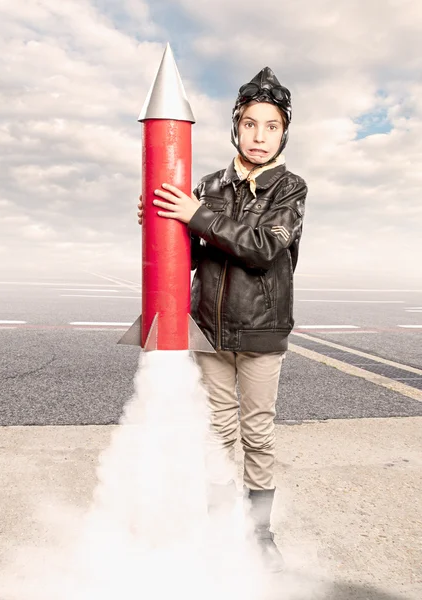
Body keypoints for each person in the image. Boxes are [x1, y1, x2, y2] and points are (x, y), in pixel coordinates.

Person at [137, 66, 308, 572]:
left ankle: (259, 535)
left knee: (257, 434)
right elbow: (185, 256)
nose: (260, 136)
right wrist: (162, 225)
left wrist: (196, 217)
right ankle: (217, 526)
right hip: (208, 334)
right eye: (251, 124)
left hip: (260, 334)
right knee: (216, 435)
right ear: (236, 125)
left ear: (283, 132)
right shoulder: (209, 185)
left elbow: (260, 249)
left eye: (271, 126)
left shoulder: (290, 190)